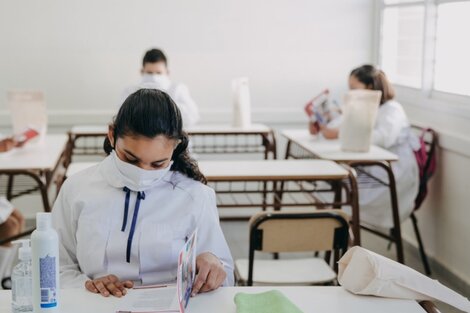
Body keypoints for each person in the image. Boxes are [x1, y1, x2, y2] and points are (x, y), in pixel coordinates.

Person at [52, 89, 233, 297]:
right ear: (112, 135)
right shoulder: (77, 189)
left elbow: (225, 276)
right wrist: (86, 286)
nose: (142, 173)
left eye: (158, 164)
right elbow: (55, 265)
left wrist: (213, 264)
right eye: (130, 159)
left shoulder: (195, 196)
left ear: (174, 148)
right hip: (96, 305)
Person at [310, 65, 420, 229]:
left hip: (391, 173)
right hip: (370, 167)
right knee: (326, 188)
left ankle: (340, 236)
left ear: (369, 86)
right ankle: (334, 237)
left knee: (338, 193)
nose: (350, 92)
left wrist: (341, 133)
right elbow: (339, 125)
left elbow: (383, 138)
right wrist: (323, 124)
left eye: (354, 88)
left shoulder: (391, 109)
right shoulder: (361, 106)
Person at [122, 48, 200, 127]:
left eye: (158, 73)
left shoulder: (178, 89)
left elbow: (192, 118)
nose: (154, 77)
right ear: (142, 72)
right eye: (149, 73)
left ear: (167, 72)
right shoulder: (129, 91)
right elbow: (122, 119)